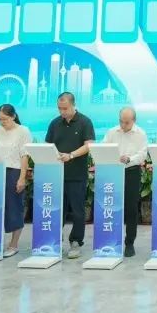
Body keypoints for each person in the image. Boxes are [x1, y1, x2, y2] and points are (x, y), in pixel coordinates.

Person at [44, 92, 95, 260]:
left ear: (73, 105)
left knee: (78, 211)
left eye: (65, 108)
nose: (62, 112)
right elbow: (48, 145)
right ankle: (54, 239)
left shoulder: (85, 122)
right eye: (59, 108)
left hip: (76, 174)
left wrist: (71, 155)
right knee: (57, 209)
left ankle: (76, 242)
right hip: (57, 174)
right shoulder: (55, 123)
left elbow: (89, 145)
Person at [104, 106, 148, 258]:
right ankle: (110, 240)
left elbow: (142, 154)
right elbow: (103, 147)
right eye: (121, 122)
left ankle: (129, 243)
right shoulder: (112, 132)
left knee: (131, 208)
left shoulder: (141, 134)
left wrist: (129, 158)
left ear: (134, 121)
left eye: (127, 122)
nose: (123, 125)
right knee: (111, 206)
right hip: (113, 172)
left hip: (131, 172)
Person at [0, 104, 32, 257]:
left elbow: (24, 156)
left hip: (14, 172)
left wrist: (21, 178)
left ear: (13, 116)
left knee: (14, 208)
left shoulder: (23, 131)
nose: (2, 122)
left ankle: (13, 244)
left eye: (5, 119)